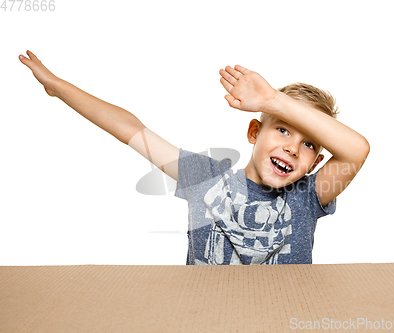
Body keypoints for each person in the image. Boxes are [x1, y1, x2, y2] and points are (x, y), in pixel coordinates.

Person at [19, 50, 370, 265]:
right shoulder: (206, 178)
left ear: (318, 162)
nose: (293, 148)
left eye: (309, 144)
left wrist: (273, 103)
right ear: (253, 133)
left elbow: (357, 150)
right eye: (282, 130)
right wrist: (58, 86)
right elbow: (130, 128)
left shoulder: (310, 196)